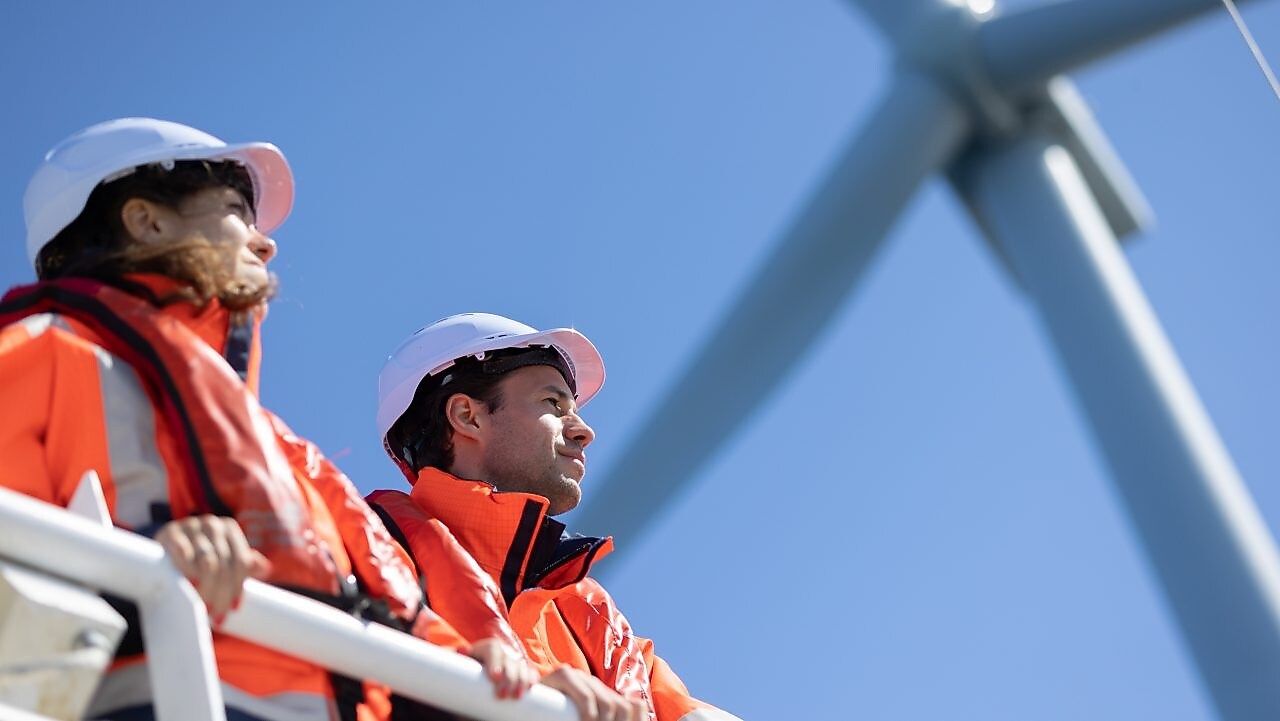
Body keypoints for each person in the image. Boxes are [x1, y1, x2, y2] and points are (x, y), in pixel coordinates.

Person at [0, 119, 539, 721]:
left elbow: (401, 612)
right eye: (237, 211)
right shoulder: (41, 356)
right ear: (146, 221)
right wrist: (146, 560)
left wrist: (503, 683)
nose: (266, 243)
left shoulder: (285, 452)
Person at [367, 313, 742, 721]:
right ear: (467, 416)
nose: (584, 430)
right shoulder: (370, 543)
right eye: (553, 403)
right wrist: (521, 697)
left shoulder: (587, 608)